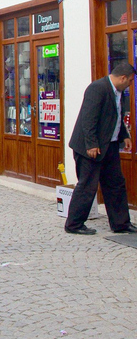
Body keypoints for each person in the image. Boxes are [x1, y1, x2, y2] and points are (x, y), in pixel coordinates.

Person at [65, 63, 137, 235]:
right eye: (130, 81)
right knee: (87, 185)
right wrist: (91, 144)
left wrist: (124, 136)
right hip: (91, 147)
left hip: (109, 146)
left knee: (115, 184)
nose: (130, 84)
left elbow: (115, 117)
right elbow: (88, 119)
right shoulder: (97, 88)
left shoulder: (119, 92)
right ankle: (74, 224)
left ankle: (121, 223)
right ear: (123, 78)